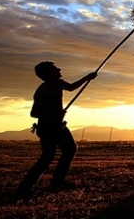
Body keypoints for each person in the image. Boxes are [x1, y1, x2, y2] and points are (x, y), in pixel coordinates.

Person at [15, 62, 97, 198]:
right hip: (47, 127)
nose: (59, 69)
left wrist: (87, 78)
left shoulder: (59, 83)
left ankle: (57, 182)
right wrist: (53, 114)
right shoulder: (43, 91)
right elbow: (34, 112)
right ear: (48, 73)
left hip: (58, 126)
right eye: (55, 68)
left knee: (70, 149)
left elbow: (71, 88)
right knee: (48, 156)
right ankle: (25, 187)